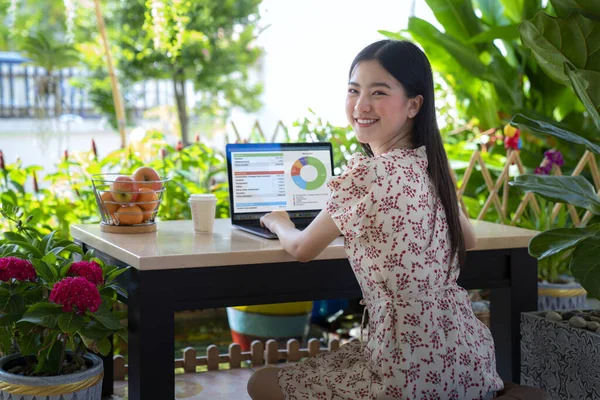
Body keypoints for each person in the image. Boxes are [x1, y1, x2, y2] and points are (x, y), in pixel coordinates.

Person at [247, 39, 503, 400]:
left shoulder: (368, 175)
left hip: (404, 373)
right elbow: (470, 239)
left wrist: (277, 222)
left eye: (378, 92)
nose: (361, 105)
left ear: (414, 104)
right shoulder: (432, 166)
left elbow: (303, 248)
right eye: (353, 91)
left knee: (259, 383)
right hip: (466, 359)